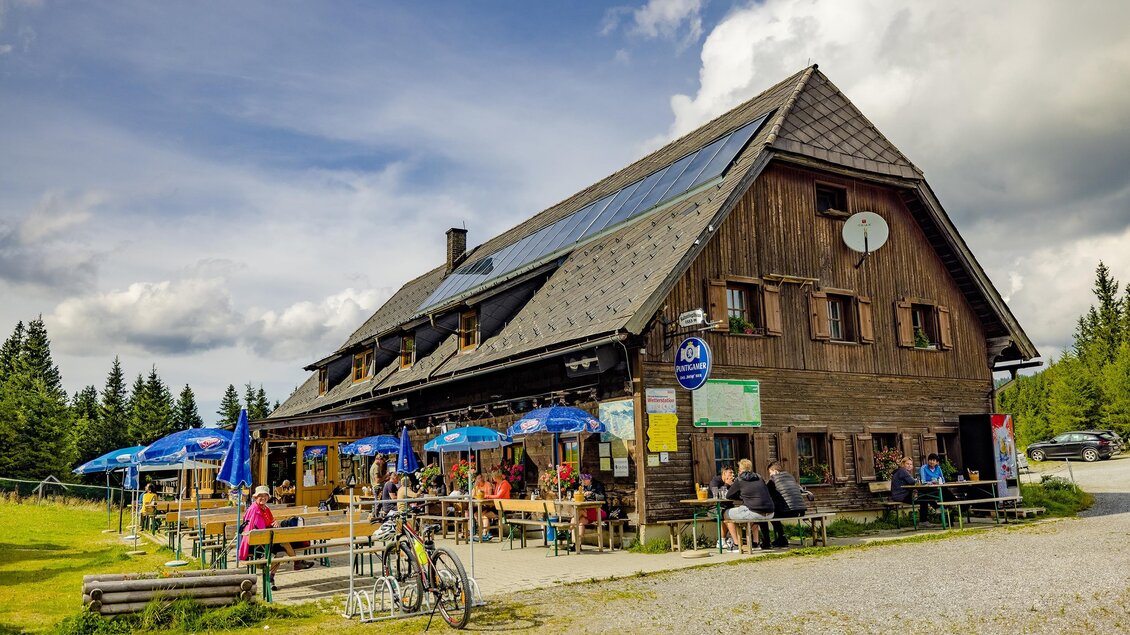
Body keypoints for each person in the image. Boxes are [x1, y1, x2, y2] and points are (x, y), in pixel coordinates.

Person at [238, 485, 313, 592]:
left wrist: (275, 523)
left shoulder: (265, 508)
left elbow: (270, 522)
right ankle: (297, 562)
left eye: (265, 496)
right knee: (283, 544)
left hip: (267, 539)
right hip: (256, 545)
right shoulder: (254, 510)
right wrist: (270, 527)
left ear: (268, 497)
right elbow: (257, 530)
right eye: (260, 496)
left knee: (281, 551)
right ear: (255, 497)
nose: (263, 498)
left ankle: (272, 576)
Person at [723, 458, 775, 551]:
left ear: (740, 470)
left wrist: (740, 494)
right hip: (770, 513)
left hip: (755, 512)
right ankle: (755, 543)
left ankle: (736, 544)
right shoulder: (759, 477)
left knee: (726, 514)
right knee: (753, 514)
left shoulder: (740, 479)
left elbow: (728, 495)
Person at [764, 461, 807, 549]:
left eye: (770, 472)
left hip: (788, 511)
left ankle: (781, 538)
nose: (770, 475)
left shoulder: (773, 480)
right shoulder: (791, 477)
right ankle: (781, 538)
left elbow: (765, 492)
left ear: (774, 471)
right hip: (799, 511)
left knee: (771, 515)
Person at [891, 456, 933, 525]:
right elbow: (912, 482)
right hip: (901, 496)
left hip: (901, 495)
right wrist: (918, 481)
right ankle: (924, 520)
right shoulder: (903, 471)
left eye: (911, 464)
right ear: (903, 464)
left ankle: (926, 518)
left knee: (924, 497)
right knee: (924, 498)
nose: (909, 466)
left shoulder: (902, 471)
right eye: (907, 464)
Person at [709, 466, 741, 551]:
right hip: (713, 508)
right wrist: (726, 484)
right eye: (730, 473)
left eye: (733, 473)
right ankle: (733, 541)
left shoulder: (733, 482)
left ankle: (723, 540)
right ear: (724, 474)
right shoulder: (715, 481)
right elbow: (715, 495)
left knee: (731, 513)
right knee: (725, 514)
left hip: (728, 507)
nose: (733, 475)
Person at [575, 473, 609, 547]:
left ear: (589, 479)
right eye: (582, 479)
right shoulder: (584, 487)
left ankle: (570, 526)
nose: (583, 481)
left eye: (584, 479)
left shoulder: (598, 485)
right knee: (580, 522)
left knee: (578, 514)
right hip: (588, 512)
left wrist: (592, 494)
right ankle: (577, 544)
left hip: (599, 512)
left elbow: (602, 497)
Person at [479, 470, 512, 541]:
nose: (492, 478)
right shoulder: (497, 484)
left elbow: (498, 496)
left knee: (485, 516)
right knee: (482, 514)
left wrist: (486, 496)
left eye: (493, 477)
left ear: (496, 477)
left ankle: (485, 534)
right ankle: (486, 533)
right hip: (498, 506)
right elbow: (495, 496)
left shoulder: (504, 484)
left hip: (503, 507)